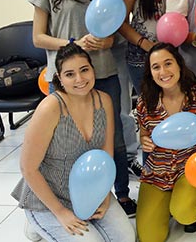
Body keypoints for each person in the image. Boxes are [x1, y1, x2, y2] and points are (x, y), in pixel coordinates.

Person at [30, 0, 135, 216]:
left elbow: (118, 32)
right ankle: (56, 199)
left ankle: (122, 194)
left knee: (113, 139)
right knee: (62, 142)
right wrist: (74, 44)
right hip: (64, 77)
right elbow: (38, 37)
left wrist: (108, 40)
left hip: (103, 72)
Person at [48, 0, 143, 188]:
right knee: (76, 115)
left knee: (119, 111)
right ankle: (80, 171)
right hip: (76, 51)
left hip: (116, 45)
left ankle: (123, 163)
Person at [12, 43, 135, 242]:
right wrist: (61, 213)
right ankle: (36, 224)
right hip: (48, 198)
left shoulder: (104, 100)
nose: (79, 79)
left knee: (126, 239)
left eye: (84, 70)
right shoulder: (50, 108)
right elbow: (28, 168)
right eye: (70, 74)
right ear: (59, 78)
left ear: (93, 70)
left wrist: (104, 195)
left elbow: (106, 153)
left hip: (89, 189)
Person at [135, 43, 196, 242]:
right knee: (149, 237)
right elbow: (144, 134)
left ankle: (192, 208)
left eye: (168, 63)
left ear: (179, 64)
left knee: (184, 213)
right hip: (157, 171)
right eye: (156, 67)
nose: (163, 72)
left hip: (191, 168)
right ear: (150, 72)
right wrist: (144, 140)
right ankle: (168, 201)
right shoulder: (146, 103)